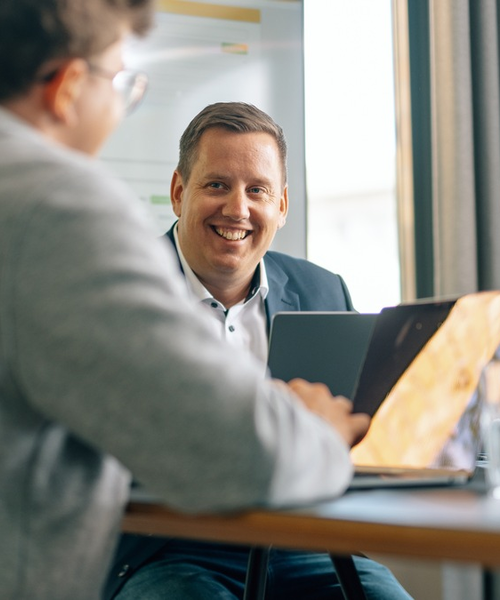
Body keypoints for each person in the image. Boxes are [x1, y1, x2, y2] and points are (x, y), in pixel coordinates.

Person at [0, 2, 372, 600]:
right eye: (120, 84)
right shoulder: (48, 208)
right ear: (69, 87)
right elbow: (242, 456)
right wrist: (316, 429)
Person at [105, 103, 412, 600]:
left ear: (283, 205)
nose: (238, 209)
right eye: (217, 185)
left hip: (309, 543)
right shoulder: (118, 291)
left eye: (257, 190)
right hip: (170, 549)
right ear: (179, 192)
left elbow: (359, 435)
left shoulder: (324, 291)